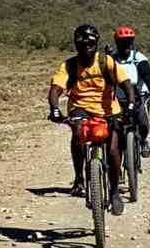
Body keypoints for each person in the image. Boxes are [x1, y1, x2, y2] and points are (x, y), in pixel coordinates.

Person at [47, 24, 134, 214]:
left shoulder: (106, 61)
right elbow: (56, 88)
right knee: (78, 132)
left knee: (112, 150)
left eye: (91, 43)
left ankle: (114, 193)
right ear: (76, 45)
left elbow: (126, 84)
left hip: (108, 109)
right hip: (80, 107)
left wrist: (131, 104)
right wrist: (54, 108)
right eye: (82, 43)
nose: (87, 47)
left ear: (96, 43)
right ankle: (79, 178)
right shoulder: (69, 65)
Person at [110, 25, 150, 159]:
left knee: (142, 122)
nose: (126, 45)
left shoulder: (138, 57)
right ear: (117, 43)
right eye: (123, 42)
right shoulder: (112, 59)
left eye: (129, 42)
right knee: (115, 128)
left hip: (140, 95)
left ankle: (144, 141)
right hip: (118, 97)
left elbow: (146, 74)